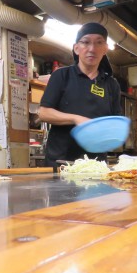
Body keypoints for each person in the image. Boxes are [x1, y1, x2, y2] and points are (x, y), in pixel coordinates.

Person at [38, 22, 122, 170]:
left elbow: (113, 122)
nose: (92, 49)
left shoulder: (111, 84)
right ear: (76, 48)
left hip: (96, 165)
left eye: (99, 43)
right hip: (61, 162)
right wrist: (76, 119)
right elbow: (43, 113)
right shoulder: (62, 76)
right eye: (86, 42)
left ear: (105, 49)